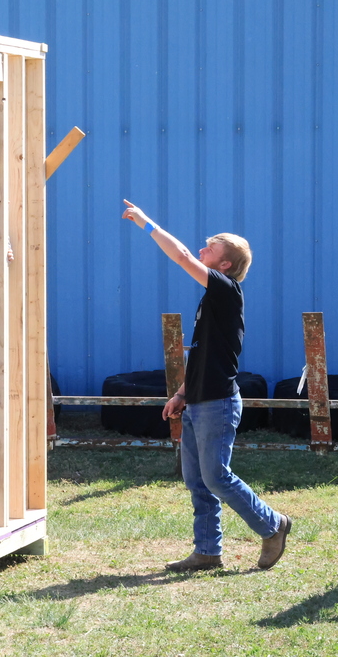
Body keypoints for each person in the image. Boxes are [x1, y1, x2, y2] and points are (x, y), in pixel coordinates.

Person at [121, 199, 291, 572]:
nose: (201, 251)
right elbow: (201, 355)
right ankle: (207, 552)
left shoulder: (227, 290)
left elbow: (181, 256)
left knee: (217, 476)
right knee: (197, 481)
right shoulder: (211, 301)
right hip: (199, 401)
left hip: (218, 403)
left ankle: (273, 524)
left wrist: (146, 222)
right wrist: (182, 393)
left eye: (210, 249)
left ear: (225, 264)